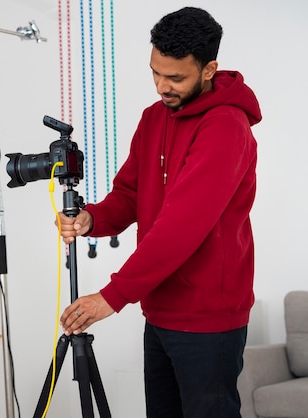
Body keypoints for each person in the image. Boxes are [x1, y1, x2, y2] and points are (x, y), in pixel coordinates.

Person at [57, 7, 261, 418]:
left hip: (209, 318)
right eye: (155, 72)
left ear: (208, 70)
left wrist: (111, 297)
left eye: (175, 78)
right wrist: (93, 218)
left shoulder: (225, 127)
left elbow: (181, 227)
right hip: (161, 311)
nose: (161, 86)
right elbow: (131, 193)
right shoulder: (154, 119)